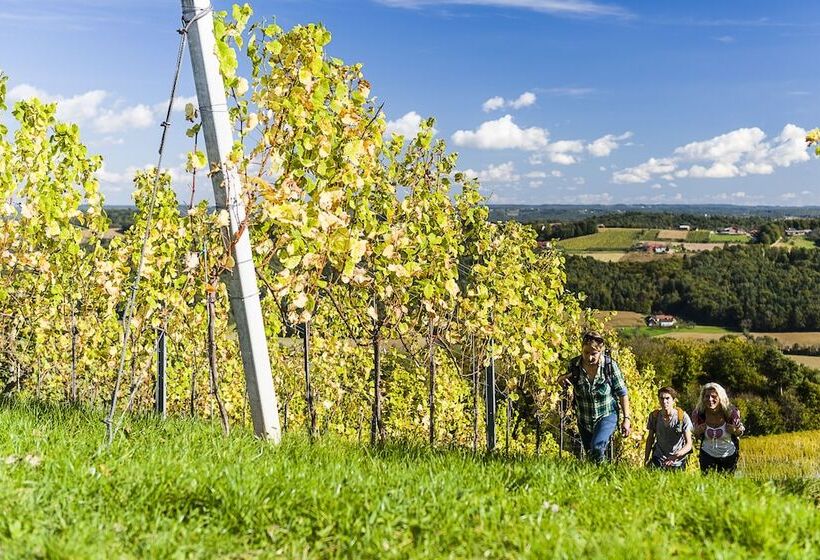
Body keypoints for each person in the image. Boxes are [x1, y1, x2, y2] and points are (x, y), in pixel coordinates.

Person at [557, 330, 632, 463]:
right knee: (591, 454)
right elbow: (564, 379)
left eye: (594, 354)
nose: (589, 357)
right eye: (586, 352)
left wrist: (626, 419)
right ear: (581, 349)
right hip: (584, 418)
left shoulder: (609, 366)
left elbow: (622, 393)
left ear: (601, 351)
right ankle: (599, 480)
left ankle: (602, 474)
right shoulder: (574, 365)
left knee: (597, 447)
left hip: (607, 414)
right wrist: (561, 380)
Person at [691, 382, 744, 474]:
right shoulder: (699, 413)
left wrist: (735, 431)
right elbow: (693, 434)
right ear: (703, 398)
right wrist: (697, 431)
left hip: (729, 455)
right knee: (708, 484)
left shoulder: (731, 412)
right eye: (707, 396)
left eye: (714, 396)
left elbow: (740, 431)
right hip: (707, 454)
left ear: (720, 398)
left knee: (726, 485)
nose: (710, 399)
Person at [644, 386, 693, 470]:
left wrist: (677, 455)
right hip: (658, 458)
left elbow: (689, 444)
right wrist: (646, 459)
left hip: (677, 461)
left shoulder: (682, 417)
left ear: (673, 400)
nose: (664, 401)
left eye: (667, 398)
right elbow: (650, 439)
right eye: (661, 398)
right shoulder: (654, 416)